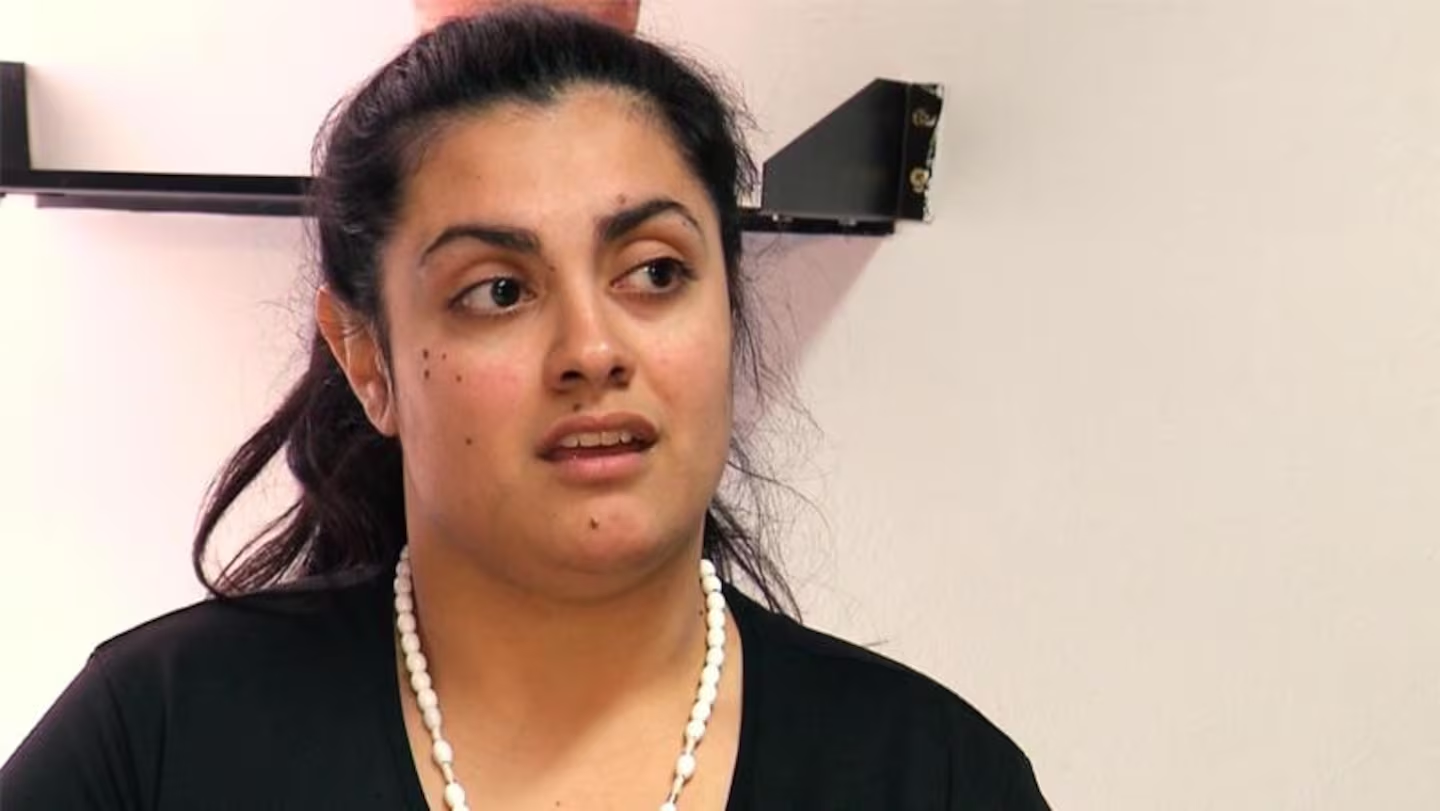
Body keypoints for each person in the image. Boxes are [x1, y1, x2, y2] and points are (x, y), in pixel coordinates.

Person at [0, 7, 1049, 809]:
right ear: (367, 360)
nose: (593, 350)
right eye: (498, 290)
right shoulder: (157, 741)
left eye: (654, 272)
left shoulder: (937, 777)